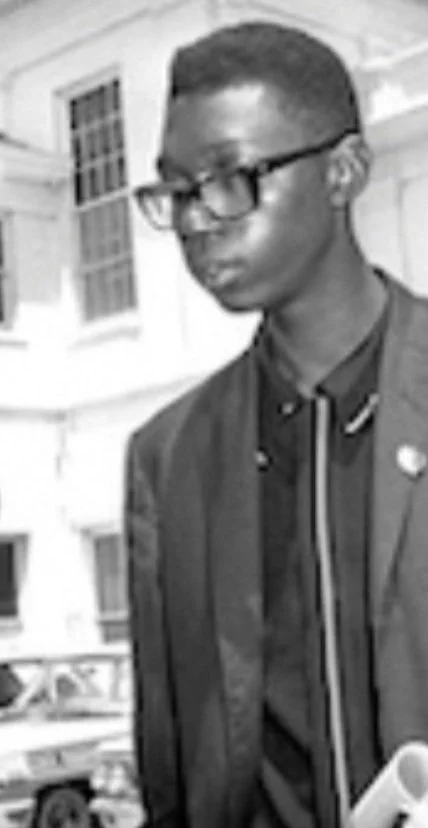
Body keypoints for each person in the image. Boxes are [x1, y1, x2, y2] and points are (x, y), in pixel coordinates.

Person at [125, 20, 428, 828]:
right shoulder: (169, 458)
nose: (197, 219)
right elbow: (170, 767)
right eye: (178, 191)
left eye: (232, 178)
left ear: (344, 171)